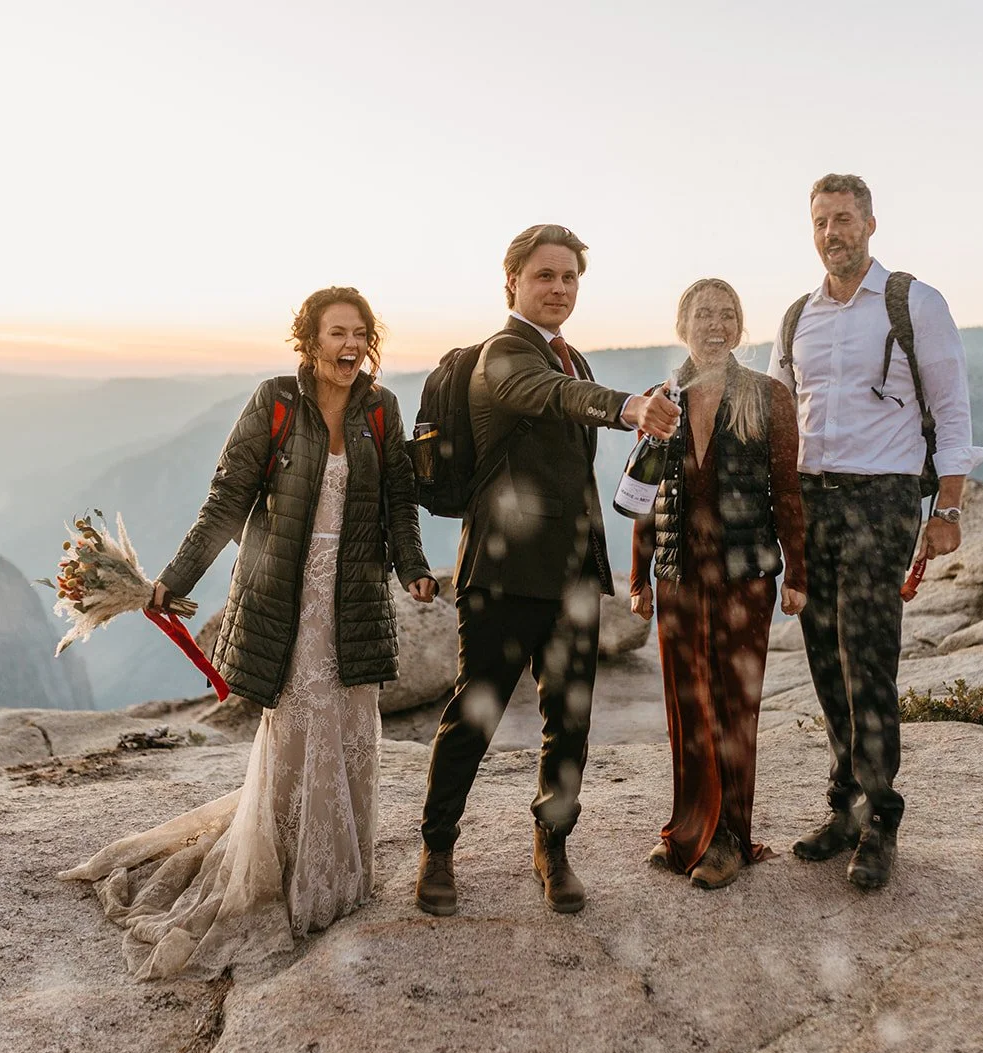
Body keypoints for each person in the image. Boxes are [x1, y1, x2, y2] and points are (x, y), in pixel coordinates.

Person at [59, 286, 437, 979]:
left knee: (350, 725)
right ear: (310, 341)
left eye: (359, 333)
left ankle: (339, 876)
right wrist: (176, 577)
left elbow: (399, 504)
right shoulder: (275, 402)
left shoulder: (381, 410)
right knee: (295, 724)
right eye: (336, 334)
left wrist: (413, 568)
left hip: (351, 594)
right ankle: (286, 872)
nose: (349, 345)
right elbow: (228, 500)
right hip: (282, 598)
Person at [416, 224, 681, 916]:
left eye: (568, 277)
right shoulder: (503, 356)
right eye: (544, 276)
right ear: (513, 282)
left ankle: (552, 847)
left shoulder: (576, 356)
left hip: (569, 573)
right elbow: (548, 396)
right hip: (501, 573)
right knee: (473, 715)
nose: (558, 288)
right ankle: (437, 849)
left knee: (569, 720)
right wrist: (627, 407)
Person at [769, 174, 983, 890]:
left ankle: (881, 817)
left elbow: (952, 410)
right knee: (825, 661)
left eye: (845, 219)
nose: (834, 233)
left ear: (871, 223)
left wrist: (946, 509)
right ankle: (844, 806)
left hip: (880, 498)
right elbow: (776, 419)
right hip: (808, 499)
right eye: (822, 222)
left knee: (868, 661)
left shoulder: (913, 301)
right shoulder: (798, 315)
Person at [630, 278, 807, 890]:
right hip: (678, 575)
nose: (716, 324)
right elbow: (646, 491)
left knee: (734, 707)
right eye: (703, 314)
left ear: (740, 327)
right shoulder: (662, 398)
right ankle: (686, 832)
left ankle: (729, 837)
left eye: (727, 314)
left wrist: (798, 575)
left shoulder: (765, 396)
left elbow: (786, 491)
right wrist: (639, 577)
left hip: (744, 577)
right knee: (687, 706)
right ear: (683, 325)